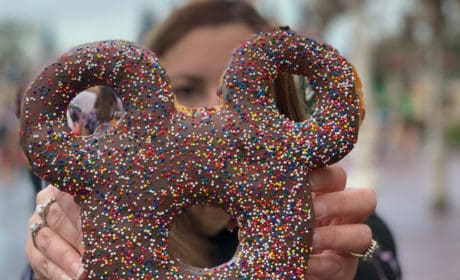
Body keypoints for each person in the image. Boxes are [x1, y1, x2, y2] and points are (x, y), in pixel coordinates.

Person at [24, 1, 393, 279]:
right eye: (184, 89)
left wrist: (359, 268)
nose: (210, 118)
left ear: (281, 105)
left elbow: (387, 263)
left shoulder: (330, 222)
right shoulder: (96, 219)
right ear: (133, 103)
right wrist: (46, 263)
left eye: (233, 96)